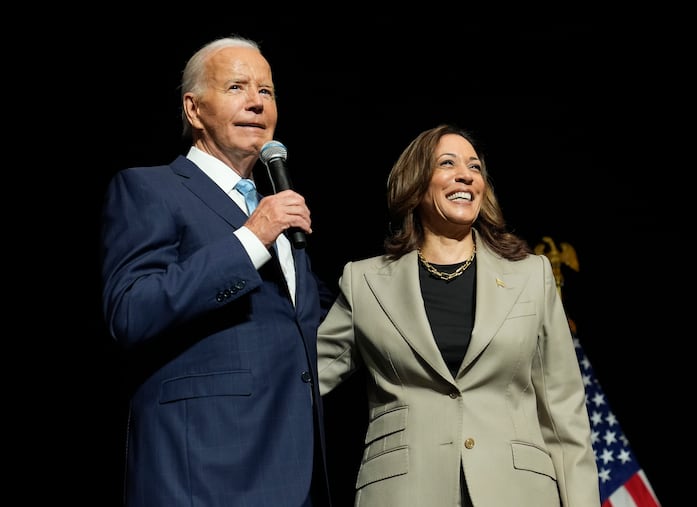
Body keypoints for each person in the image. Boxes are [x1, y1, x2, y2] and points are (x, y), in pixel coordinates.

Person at [100, 36, 333, 507]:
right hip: (204, 471)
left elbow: (313, 323)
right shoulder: (150, 188)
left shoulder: (275, 211)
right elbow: (131, 310)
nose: (256, 102)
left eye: (266, 91)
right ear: (193, 109)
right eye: (236, 87)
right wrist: (250, 239)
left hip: (296, 472)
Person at [317, 124, 600, 506]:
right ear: (415, 185)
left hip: (518, 492)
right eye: (447, 163)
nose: (465, 174)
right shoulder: (365, 281)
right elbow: (303, 379)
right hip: (404, 493)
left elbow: (564, 411)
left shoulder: (531, 276)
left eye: (475, 167)